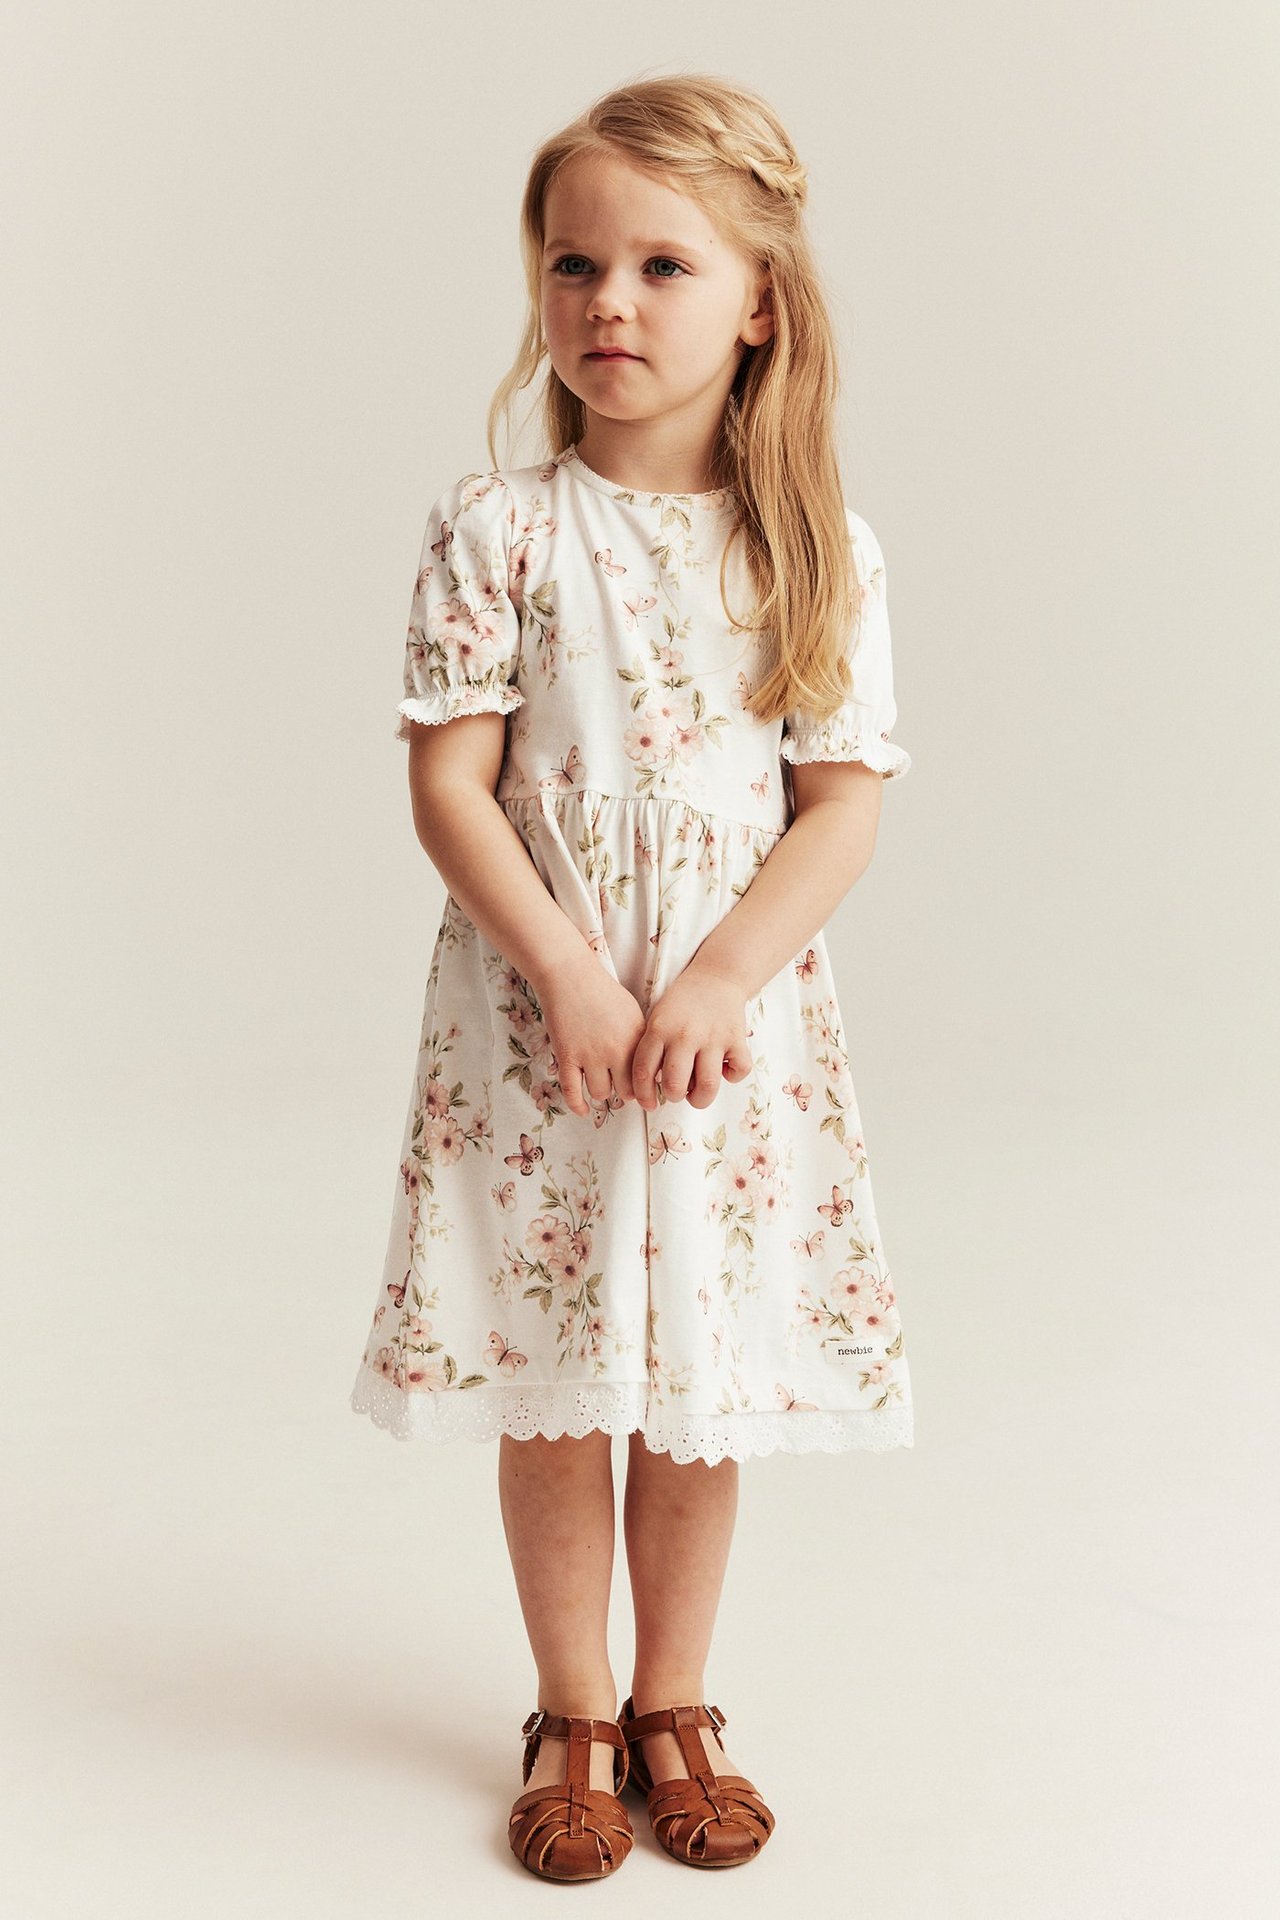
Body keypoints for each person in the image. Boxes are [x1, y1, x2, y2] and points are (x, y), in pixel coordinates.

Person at [350, 72, 917, 1882]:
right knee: (558, 1374)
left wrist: (720, 980)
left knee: (696, 1375)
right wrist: (578, 983)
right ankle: (571, 1706)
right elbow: (451, 788)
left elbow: (838, 810)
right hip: (545, 1028)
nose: (609, 301)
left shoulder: (808, 545)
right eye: (575, 263)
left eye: (663, 265)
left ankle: (680, 1698)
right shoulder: (500, 530)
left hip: (720, 1042)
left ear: (758, 298)